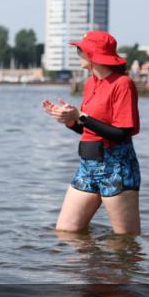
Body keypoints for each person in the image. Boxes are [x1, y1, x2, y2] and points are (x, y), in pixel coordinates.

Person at [41, 31, 141, 235]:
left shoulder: (123, 84)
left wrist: (81, 116)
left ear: (93, 55)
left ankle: (115, 266)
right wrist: (70, 120)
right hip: (87, 166)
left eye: (80, 50)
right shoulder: (90, 84)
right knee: (66, 233)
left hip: (117, 169)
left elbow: (121, 133)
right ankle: (93, 267)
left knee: (125, 242)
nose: (78, 54)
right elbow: (90, 128)